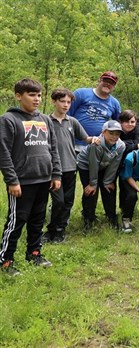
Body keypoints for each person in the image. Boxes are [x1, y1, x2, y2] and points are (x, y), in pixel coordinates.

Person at [0, 79, 61, 276]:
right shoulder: (8, 120)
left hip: (44, 180)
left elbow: (53, 149)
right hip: (22, 182)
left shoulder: (45, 120)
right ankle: (6, 260)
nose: (37, 99)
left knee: (37, 219)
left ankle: (34, 253)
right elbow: (3, 153)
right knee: (16, 221)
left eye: (39, 95)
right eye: (32, 95)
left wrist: (56, 174)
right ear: (19, 96)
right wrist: (12, 180)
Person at [44, 88, 99, 244]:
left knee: (68, 201)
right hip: (54, 169)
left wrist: (94, 139)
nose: (66, 105)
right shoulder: (46, 121)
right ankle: (51, 229)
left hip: (70, 167)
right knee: (58, 201)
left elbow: (85, 138)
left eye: (69, 102)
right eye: (62, 101)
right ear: (54, 101)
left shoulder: (72, 121)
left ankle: (60, 230)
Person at [76, 120, 126, 229]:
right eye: (111, 133)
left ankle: (111, 218)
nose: (114, 137)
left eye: (117, 134)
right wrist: (93, 184)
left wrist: (107, 181)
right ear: (103, 132)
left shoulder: (121, 146)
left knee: (109, 189)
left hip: (104, 165)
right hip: (86, 165)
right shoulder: (97, 144)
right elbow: (93, 164)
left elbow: (114, 164)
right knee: (91, 191)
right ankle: (88, 219)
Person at [68, 71, 121, 152]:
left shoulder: (114, 103)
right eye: (105, 81)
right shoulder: (81, 93)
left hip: (97, 146)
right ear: (99, 81)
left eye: (111, 83)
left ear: (114, 86)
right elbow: (67, 114)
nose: (108, 84)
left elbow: (117, 125)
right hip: (74, 143)